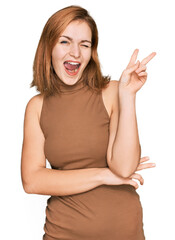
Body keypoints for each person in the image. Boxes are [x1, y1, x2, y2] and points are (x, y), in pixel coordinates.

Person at [21, 5, 156, 240]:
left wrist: (128, 95)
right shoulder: (37, 106)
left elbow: (124, 167)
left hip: (124, 232)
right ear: (48, 46)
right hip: (62, 233)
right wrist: (104, 175)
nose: (75, 53)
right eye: (65, 42)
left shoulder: (112, 92)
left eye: (85, 44)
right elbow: (32, 180)